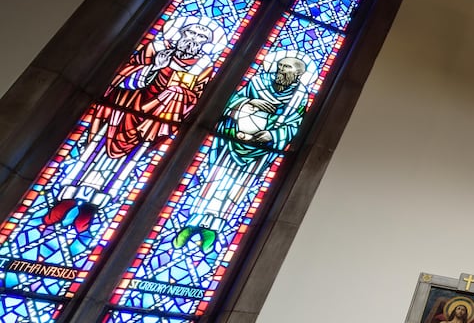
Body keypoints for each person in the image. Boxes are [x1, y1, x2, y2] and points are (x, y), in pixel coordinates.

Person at [42, 18, 221, 233]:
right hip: (124, 110)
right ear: (180, 33)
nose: (194, 40)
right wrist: (154, 67)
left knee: (127, 163)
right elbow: (124, 75)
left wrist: (178, 93)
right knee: (95, 153)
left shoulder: (204, 67)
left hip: (156, 121)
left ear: (207, 43)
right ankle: (66, 199)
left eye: (201, 37)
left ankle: (93, 207)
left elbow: (194, 98)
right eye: (191, 33)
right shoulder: (155, 50)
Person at [172, 54, 308, 252]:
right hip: (231, 139)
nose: (281, 69)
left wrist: (271, 135)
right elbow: (232, 102)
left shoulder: (299, 97)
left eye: (287, 67)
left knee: (238, 187)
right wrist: (250, 104)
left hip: (259, 149)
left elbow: (293, 124)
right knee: (213, 181)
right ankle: (192, 223)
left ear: (298, 74)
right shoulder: (258, 82)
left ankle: (214, 228)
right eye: (280, 65)